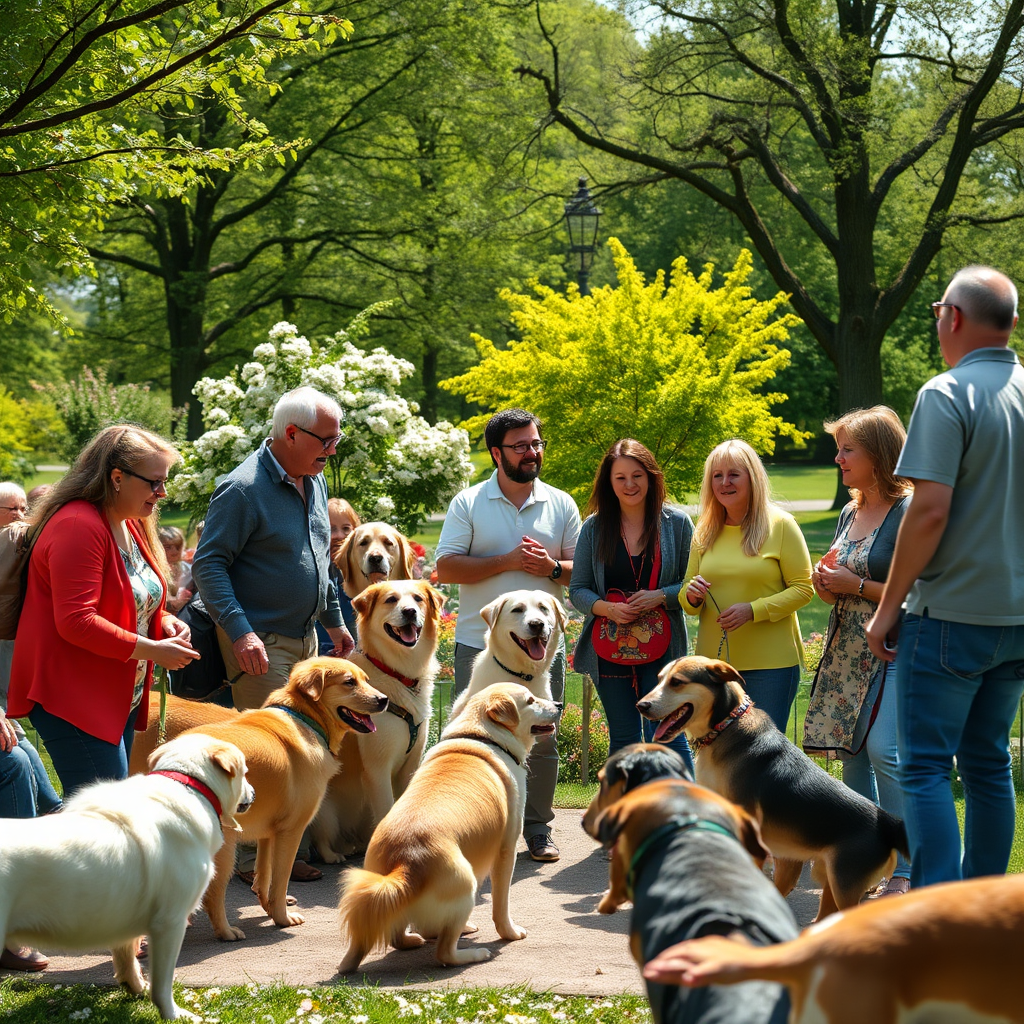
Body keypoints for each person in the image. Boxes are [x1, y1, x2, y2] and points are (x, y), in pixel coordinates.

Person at [867, 266, 1024, 888]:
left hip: (950, 617)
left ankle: (939, 912)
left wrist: (886, 610)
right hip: (1016, 621)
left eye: (937, 311)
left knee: (926, 766)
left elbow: (928, 511)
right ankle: (987, 916)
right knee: (988, 764)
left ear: (953, 317)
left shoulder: (945, 393)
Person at [192, 385, 354, 882]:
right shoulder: (242, 488)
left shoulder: (314, 479)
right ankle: (246, 862)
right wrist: (240, 633)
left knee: (304, 750)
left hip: (306, 641)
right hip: (259, 643)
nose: (333, 449)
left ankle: (285, 856)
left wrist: (335, 622)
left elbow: (319, 560)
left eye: (337, 437)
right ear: (291, 433)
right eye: (327, 439)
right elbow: (209, 564)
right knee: (268, 752)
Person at [7, 426, 199, 798]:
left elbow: (136, 602)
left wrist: (164, 622)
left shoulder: (130, 521)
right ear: (117, 478)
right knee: (105, 820)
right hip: (74, 697)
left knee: (104, 816)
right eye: (155, 483)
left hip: (111, 695)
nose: (162, 493)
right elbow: (77, 622)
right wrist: (154, 650)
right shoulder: (78, 525)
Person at [435, 408, 581, 862]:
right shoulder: (469, 503)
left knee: (544, 736)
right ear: (496, 453)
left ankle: (538, 830)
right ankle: (471, 827)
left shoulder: (561, 503)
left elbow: (583, 574)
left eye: (536, 443)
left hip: (541, 653)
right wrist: (508, 561)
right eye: (520, 446)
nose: (532, 452)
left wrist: (551, 568)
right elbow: (446, 566)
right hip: (479, 645)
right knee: (473, 736)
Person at [804, 407, 912, 896]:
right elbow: (838, 584)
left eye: (849, 449)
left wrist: (858, 584)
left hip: (893, 648)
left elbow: (921, 592)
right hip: (847, 649)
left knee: (884, 751)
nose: (838, 457)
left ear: (879, 455)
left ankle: (907, 864)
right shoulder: (850, 510)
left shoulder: (909, 510)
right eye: (840, 448)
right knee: (851, 753)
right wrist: (825, 583)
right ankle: (864, 857)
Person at [569, 439, 694, 771]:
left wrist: (660, 596)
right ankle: (625, 814)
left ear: (651, 477)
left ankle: (687, 811)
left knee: (666, 731)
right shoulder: (594, 528)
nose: (630, 485)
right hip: (608, 646)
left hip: (665, 649)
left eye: (637, 475)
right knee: (623, 736)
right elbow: (577, 590)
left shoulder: (677, 524)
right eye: (620, 477)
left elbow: (692, 583)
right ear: (608, 483)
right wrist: (607, 609)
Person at [683, 439, 813, 732]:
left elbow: (804, 588)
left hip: (772, 665)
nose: (725, 482)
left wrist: (753, 610)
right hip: (715, 667)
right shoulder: (704, 530)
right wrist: (692, 595)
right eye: (717, 475)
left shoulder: (781, 525)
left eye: (734, 474)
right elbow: (687, 598)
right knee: (718, 751)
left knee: (762, 753)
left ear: (752, 477)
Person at [317, 497, 359, 654]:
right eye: (331, 529)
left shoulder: (362, 571)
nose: (339, 535)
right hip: (324, 653)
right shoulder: (318, 569)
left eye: (346, 528)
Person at [158, 525, 193, 613]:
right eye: (168, 547)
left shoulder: (186, 568)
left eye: (178, 547)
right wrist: (174, 602)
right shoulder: (156, 569)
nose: (175, 552)